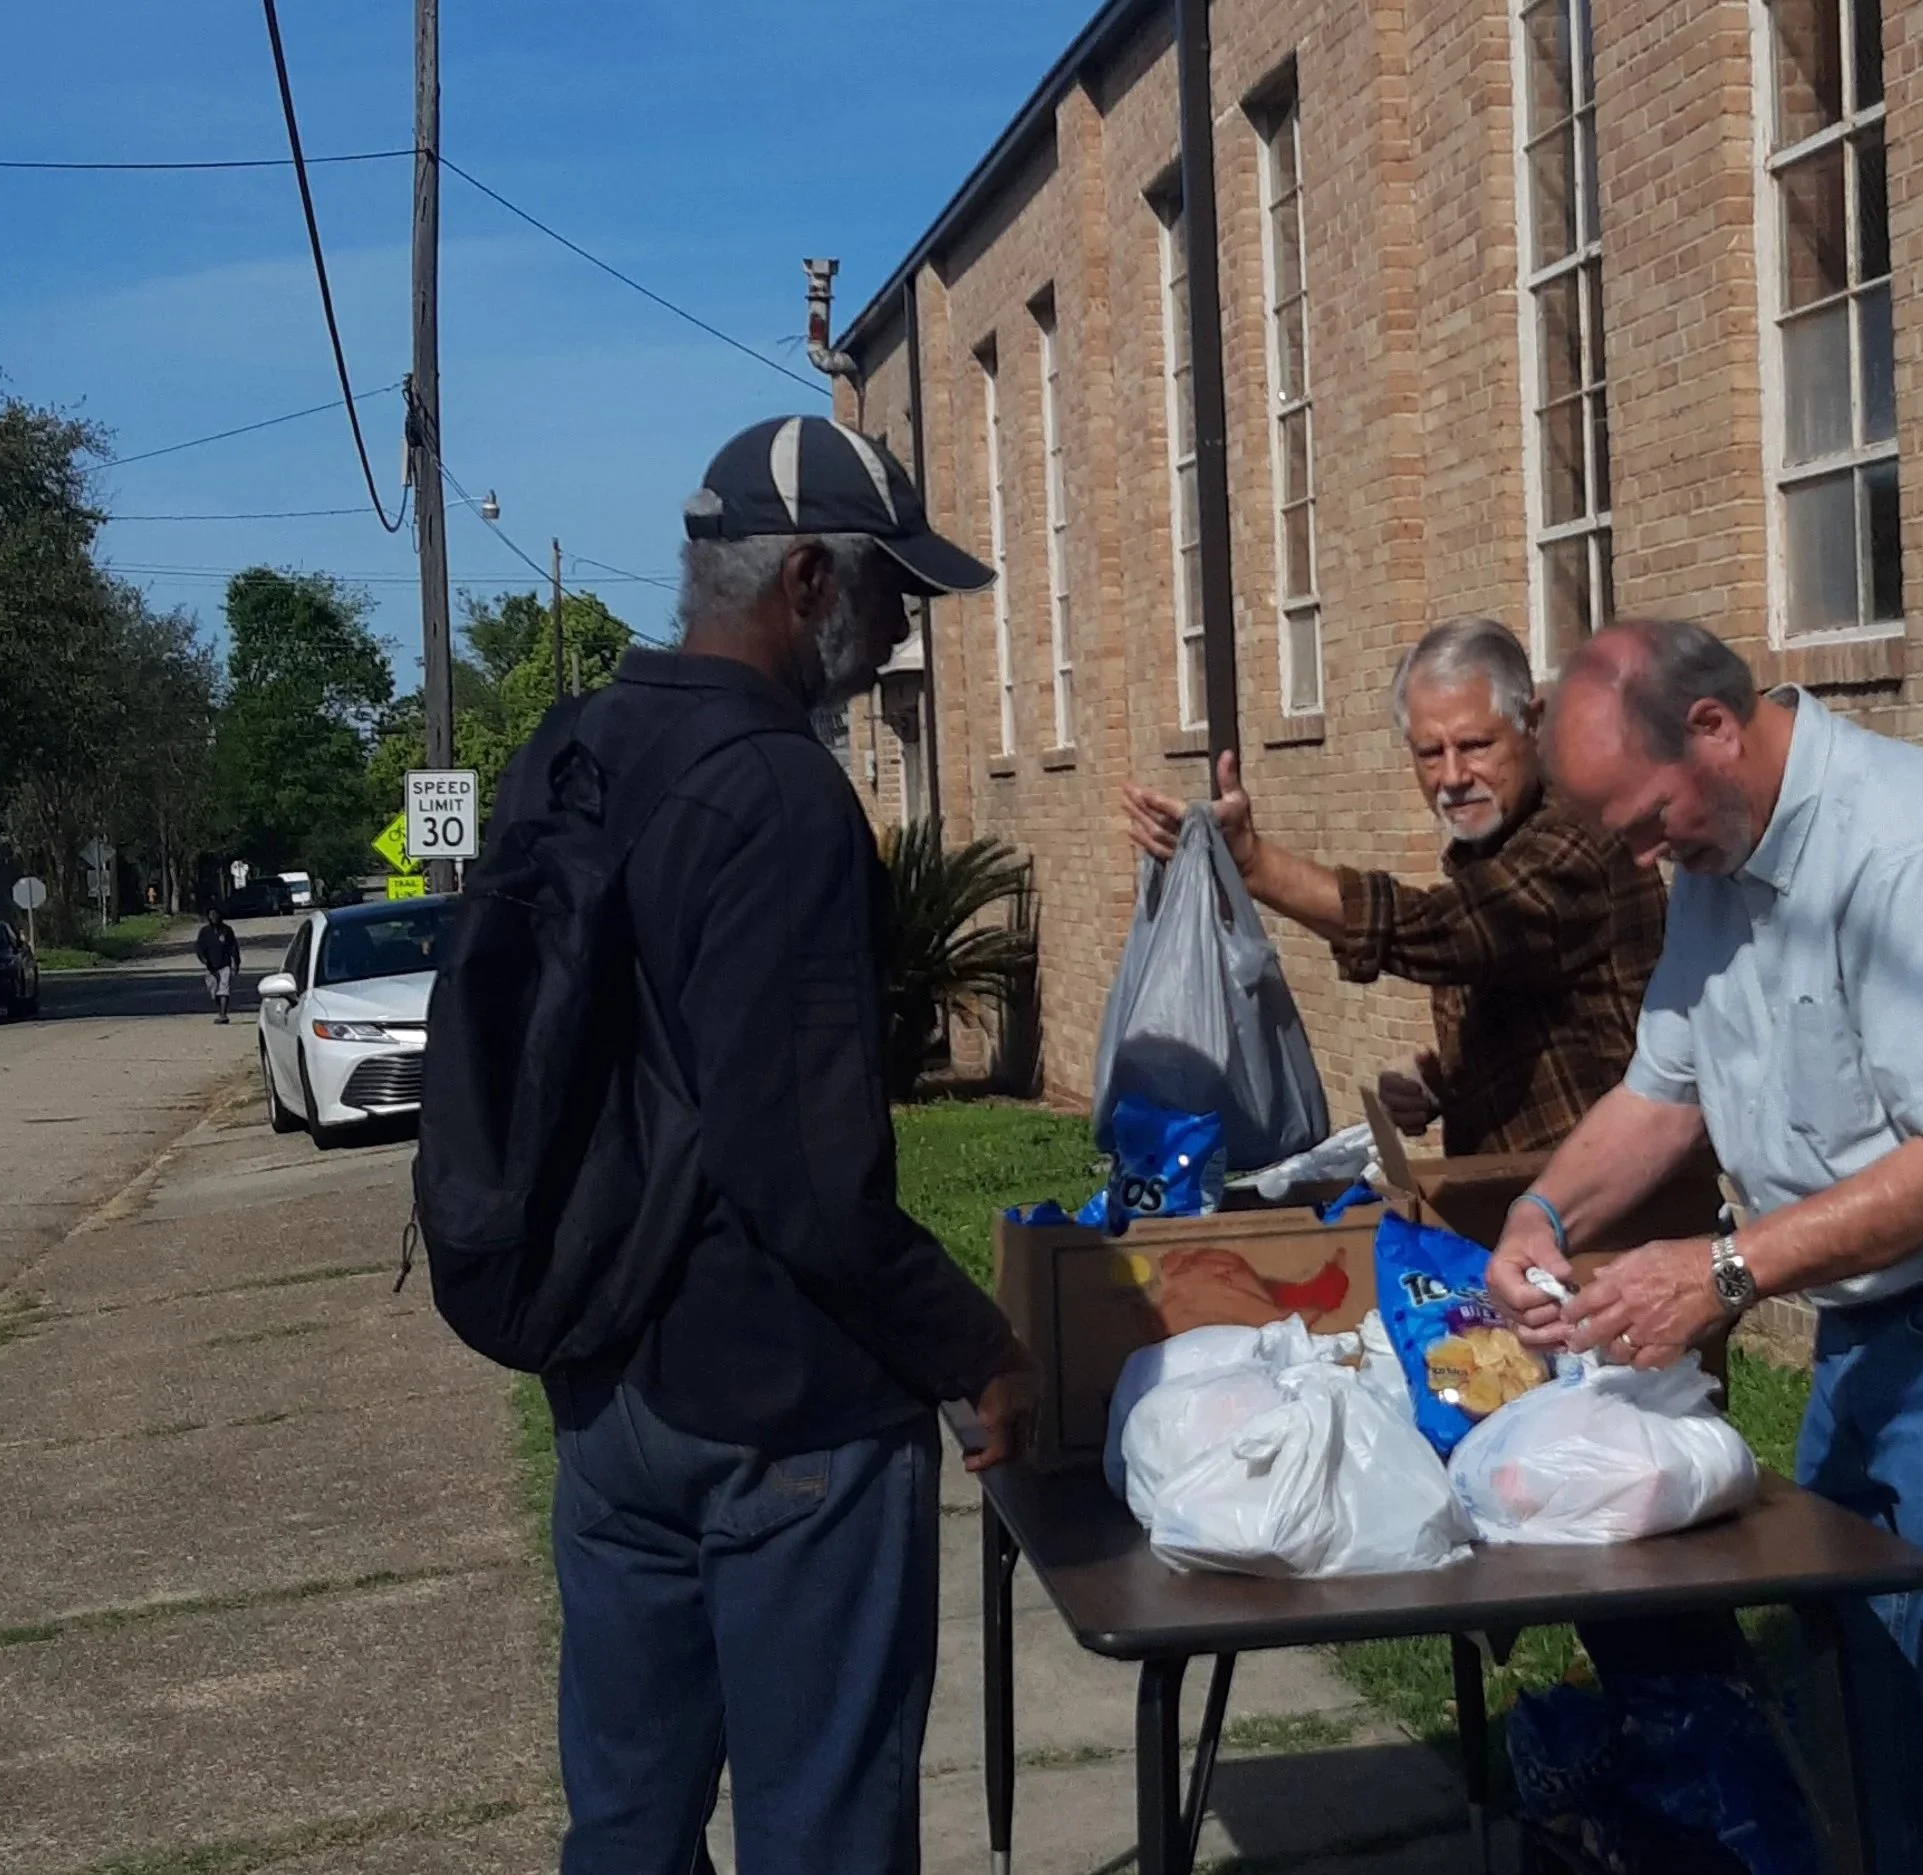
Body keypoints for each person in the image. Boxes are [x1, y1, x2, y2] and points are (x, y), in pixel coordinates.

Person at [1487, 619, 1923, 1875]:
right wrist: (1542, 1214)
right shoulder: (1714, 863)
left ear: (1712, 726)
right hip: (1873, 1326)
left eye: (1642, 819)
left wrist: (1723, 1271)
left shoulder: (1906, 846)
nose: (1640, 860)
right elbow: (1662, 1089)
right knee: (1872, 1739)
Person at [488, 416, 1041, 1875]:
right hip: (784, 1417)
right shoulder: (782, 794)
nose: (903, 622)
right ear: (807, 578)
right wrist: (975, 1344)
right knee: (827, 1831)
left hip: (608, 1387)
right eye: (892, 587)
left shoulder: (575, 746)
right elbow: (805, 1177)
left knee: (626, 1824)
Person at [1122, 618, 1664, 1155]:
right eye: (1430, 753)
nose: (1452, 777)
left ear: (1532, 723)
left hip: (1621, 1217)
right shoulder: (1492, 848)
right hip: (1532, 1206)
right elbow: (1536, 1006)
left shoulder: (1578, 839)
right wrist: (1445, 1084)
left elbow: (1446, 931)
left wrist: (1253, 864)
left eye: (1475, 745)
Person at [195, 908, 239, 1024]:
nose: (214, 917)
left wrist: (235, 962)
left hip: (225, 965)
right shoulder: (204, 932)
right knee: (214, 991)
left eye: (216, 914)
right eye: (211, 915)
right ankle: (220, 1010)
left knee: (224, 989)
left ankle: (223, 1015)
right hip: (210, 966)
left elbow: (234, 947)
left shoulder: (227, 930)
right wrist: (204, 960)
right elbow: (199, 948)